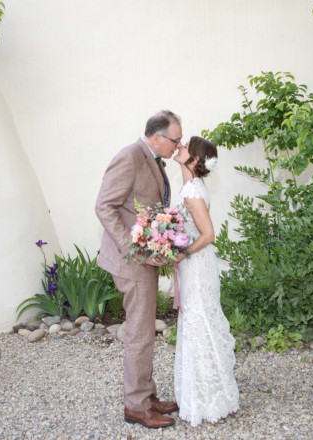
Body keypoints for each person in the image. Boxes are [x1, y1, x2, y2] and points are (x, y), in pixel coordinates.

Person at [95, 110, 182, 429]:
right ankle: (135, 405)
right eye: (175, 139)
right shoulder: (129, 157)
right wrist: (132, 248)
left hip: (146, 257)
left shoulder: (153, 159)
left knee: (144, 329)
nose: (178, 145)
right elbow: (104, 205)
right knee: (140, 332)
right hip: (130, 260)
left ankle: (146, 395)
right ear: (157, 137)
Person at [172, 136, 240, 427]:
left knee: (199, 322)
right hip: (197, 265)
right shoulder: (193, 186)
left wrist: (181, 253)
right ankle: (204, 394)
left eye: (185, 145)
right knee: (199, 322)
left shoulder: (192, 189)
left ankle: (209, 398)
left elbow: (208, 234)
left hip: (197, 266)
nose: (180, 147)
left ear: (195, 159)